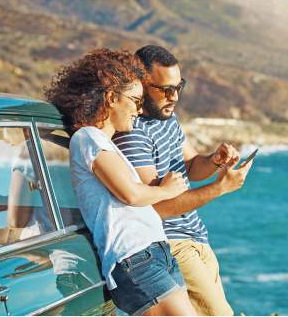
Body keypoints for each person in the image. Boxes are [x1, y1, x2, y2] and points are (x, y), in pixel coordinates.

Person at [44, 48, 197, 316]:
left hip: (156, 251)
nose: (139, 110)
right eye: (136, 101)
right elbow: (131, 195)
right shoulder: (88, 138)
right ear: (112, 97)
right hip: (134, 259)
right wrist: (166, 189)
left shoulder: (105, 143)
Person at [113, 45, 254, 316]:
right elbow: (156, 209)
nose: (174, 97)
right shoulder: (132, 135)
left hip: (197, 237)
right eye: (165, 89)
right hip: (173, 243)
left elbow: (190, 165)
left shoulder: (167, 119)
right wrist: (220, 188)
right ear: (141, 84)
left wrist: (214, 160)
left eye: (179, 87)